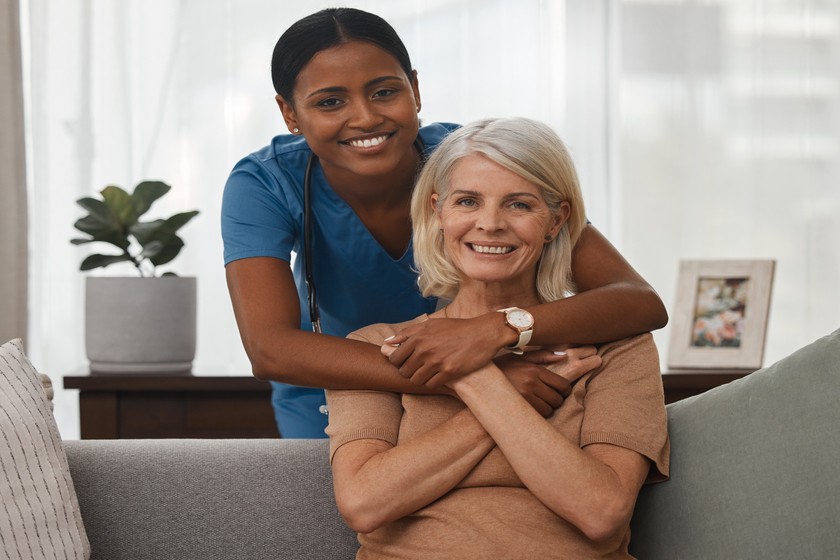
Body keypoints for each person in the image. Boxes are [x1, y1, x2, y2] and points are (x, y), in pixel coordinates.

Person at [222, 8, 668, 438]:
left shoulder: (474, 159)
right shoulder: (264, 182)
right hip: (347, 379)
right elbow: (269, 349)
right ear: (290, 114)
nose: (365, 117)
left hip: (496, 362)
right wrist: (473, 378)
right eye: (331, 102)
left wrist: (495, 331)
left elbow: (638, 301)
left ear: (415, 90)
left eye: (384, 92)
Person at [325, 117, 670, 559]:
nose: (489, 224)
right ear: (439, 212)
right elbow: (364, 504)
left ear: (556, 220)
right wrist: (497, 386)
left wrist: (474, 372)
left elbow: (601, 512)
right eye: (467, 201)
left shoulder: (616, 345)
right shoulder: (377, 346)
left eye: (520, 205)